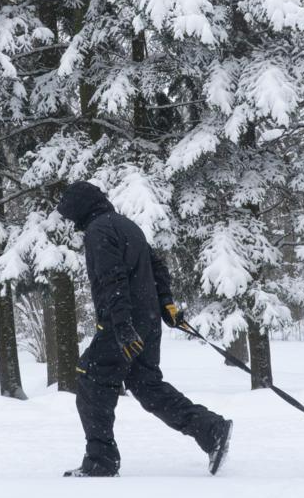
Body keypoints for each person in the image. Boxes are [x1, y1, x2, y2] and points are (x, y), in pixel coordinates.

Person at [56, 181, 233, 477]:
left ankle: (101, 461)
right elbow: (157, 267)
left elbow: (113, 279)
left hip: (122, 323)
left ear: (81, 208)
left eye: (70, 213)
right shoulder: (128, 226)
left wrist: (122, 326)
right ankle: (210, 429)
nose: (70, 221)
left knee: (91, 379)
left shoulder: (99, 230)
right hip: (147, 321)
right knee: (146, 386)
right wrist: (167, 306)